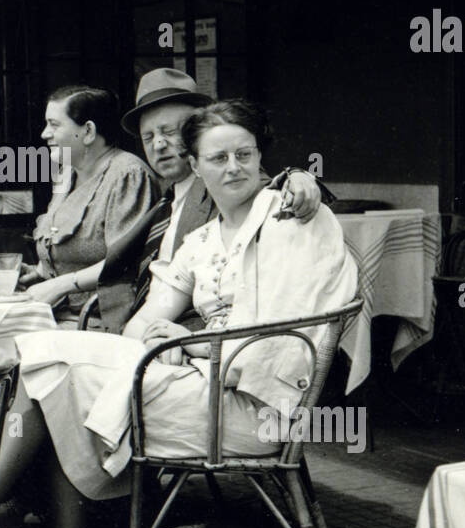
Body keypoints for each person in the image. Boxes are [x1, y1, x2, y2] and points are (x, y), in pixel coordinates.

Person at [0, 100, 358, 528]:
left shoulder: (290, 219)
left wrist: (184, 347)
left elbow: (272, 352)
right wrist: (159, 337)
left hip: (256, 410)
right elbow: (144, 322)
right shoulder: (203, 240)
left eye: (244, 155)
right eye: (218, 158)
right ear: (195, 164)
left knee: (54, 371)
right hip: (204, 388)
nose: (233, 168)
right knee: (47, 364)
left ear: (260, 158)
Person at [97, 68, 327, 331]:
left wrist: (297, 177)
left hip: (204, 335)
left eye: (169, 131)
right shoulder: (168, 196)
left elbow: (261, 185)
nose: (158, 144)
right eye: (148, 137)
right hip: (143, 322)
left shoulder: (222, 183)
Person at [20, 86, 155, 322]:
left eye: (54, 124)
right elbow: (70, 253)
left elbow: (123, 263)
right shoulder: (67, 174)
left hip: (98, 321)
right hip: (56, 316)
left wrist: (59, 285)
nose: (44, 134)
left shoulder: (127, 175)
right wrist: (36, 273)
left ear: (89, 131)